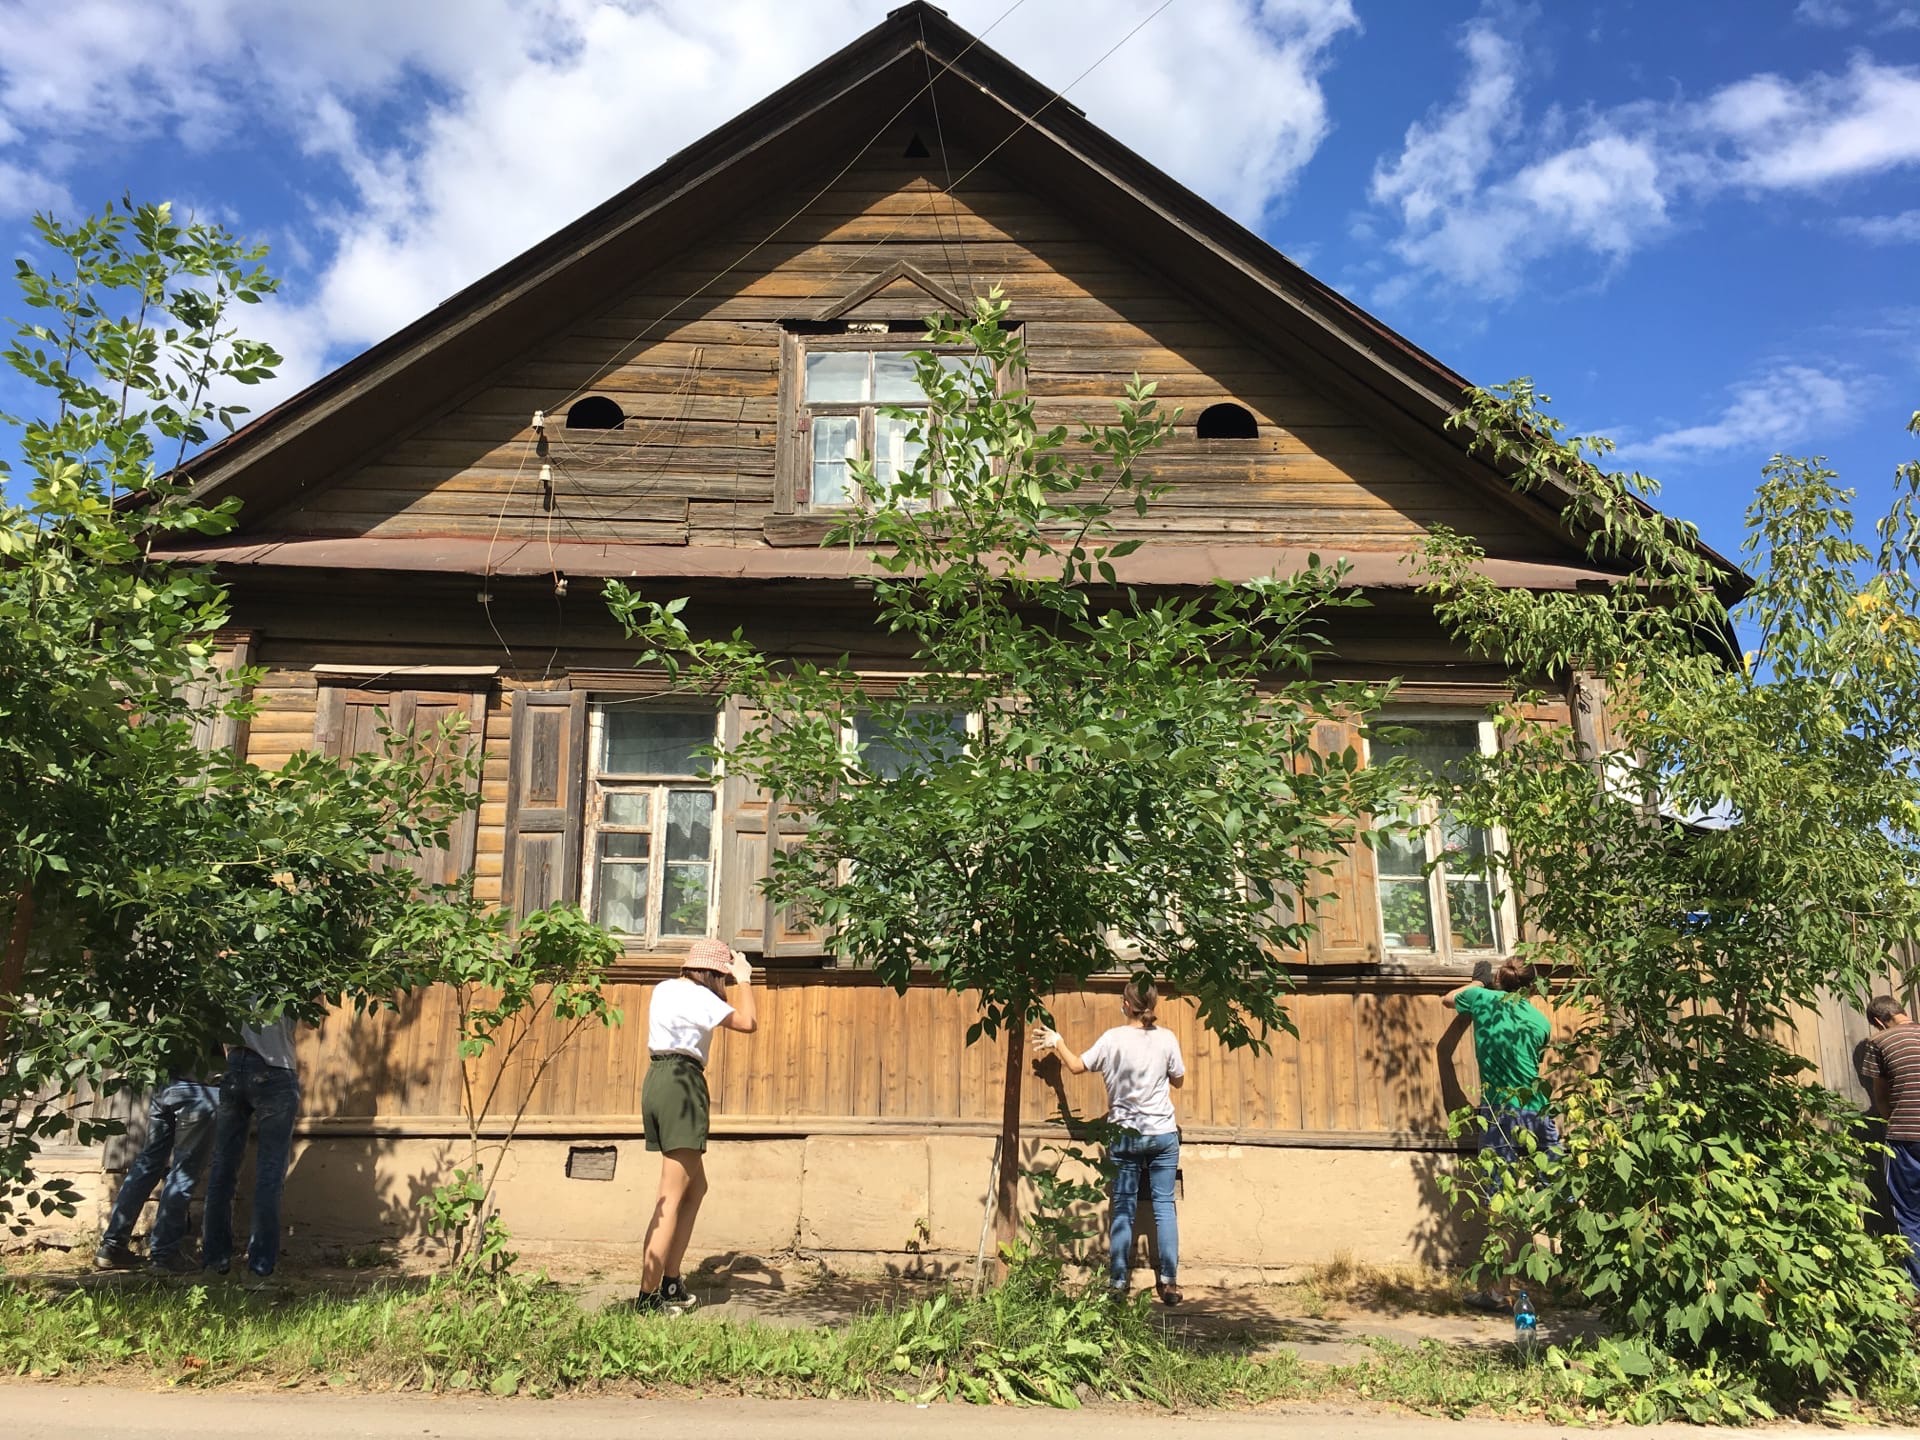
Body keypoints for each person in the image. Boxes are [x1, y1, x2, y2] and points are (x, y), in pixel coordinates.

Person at [1032, 978, 1186, 1305]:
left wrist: (1057, 1041)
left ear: (1127, 1005)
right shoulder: (1167, 1038)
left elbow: (1075, 1066)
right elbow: (1179, 1080)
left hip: (1126, 1137)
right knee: (1164, 1208)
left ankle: (1117, 1284)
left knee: (1123, 1209)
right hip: (1162, 1135)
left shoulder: (1112, 1040)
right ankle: (1169, 1284)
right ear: (1152, 1005)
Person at [637, 938, 757, 1314]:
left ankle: (671, 1282)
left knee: (696, 1186)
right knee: (670, 1195)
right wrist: (745, 980)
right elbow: (748, 1023)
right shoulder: (705, 998)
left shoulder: (664, 989)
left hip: (657, 1080)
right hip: (682, 1084)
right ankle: (648, 1297)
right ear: (715, 974)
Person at [1443, 959, 1556, 1313]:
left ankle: (1496, 1291)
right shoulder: (1541, 1021)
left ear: (1497, 982)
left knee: (1499, 1199)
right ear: (1530, 987)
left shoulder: (1483, 1001)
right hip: (1537, 1112)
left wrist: (1478, 985)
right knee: (1559, 1189)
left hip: (1499, 1113)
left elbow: (1448, 999)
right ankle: (1580, 1278)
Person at [201, 1012, 302, 1279]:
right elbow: (314, 1020)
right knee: (269, 1172)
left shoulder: (233, 973)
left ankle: (214, 1261)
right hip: (276, 1067)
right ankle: (259, 1268)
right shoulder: (297, 973)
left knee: (222, 1168)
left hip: (234, 1065)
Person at [94, 1066, 221, 1274]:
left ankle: (112, 1246)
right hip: (201, 1088)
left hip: (167, 1085)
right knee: (184, 1171)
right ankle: (164, 1257)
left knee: (148, 1163)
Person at [1863, 994, 1920, 1286]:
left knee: (1908, 1212)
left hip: (1906, 1139)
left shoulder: (1879, 1042)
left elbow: (1882, 1101)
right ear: (1903, 1011)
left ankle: (1918, 1286)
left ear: (1877, 1021)